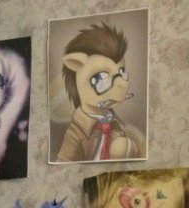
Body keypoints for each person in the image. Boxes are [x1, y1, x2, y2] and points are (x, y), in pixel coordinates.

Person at [55, 22, 145, 162]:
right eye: (101, 78)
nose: (122, 84)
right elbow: (63, 164)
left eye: (121, 72)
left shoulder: (114, 123)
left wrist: (129, 149)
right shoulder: (77, 132)